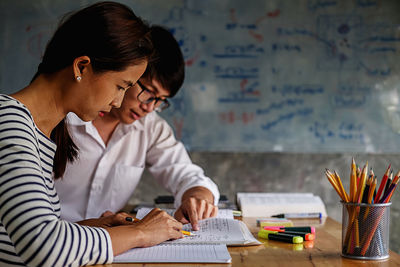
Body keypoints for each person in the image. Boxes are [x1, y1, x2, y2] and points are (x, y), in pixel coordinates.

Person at [0, 2, 184, 266]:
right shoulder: (8, 122)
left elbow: (19, 236)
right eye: (121, 86)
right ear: (82, 66)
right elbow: (43, 247)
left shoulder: (40, 130)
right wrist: (139, 233)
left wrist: (97, 227)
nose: (119, 102)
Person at [55, 25, 220, 231]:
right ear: (129, 74)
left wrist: (198, 197)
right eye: (149, 93)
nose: (149, 107)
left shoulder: (150, 127)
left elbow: (184, 172)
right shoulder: (62, 118)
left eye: (160, 100)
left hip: (109, 250)